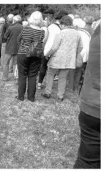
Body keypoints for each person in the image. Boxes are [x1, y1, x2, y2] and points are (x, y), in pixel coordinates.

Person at [74, 23, 100, 169]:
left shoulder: (100, 30)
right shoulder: (89, 33)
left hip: (91, 102)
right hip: (93, 101)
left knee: (86, 160)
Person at [41, 15, 83, 101]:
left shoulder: (60, 33)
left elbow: (54, 47)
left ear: (63, 24)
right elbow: (80, 47)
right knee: (63, 78)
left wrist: (47, 54)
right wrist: (73, 54)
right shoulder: (77, 34)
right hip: (69, 60)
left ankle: (47, 92)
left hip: (57, 59)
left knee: (50, 74)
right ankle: (60, 96)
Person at [16, 11, 45, 102]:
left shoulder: (26, 29)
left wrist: (23, 46)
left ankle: (21, 96)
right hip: (36, 55)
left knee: (22, 75)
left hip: (23, 53)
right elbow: (41, 42)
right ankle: (31, 97)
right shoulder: (42, 32)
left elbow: (18, 39)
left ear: (31, 19)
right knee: (32, 76)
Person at [38, 10, 68, 89]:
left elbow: (46, 38)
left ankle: (39, 83)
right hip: (56, 50)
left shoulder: (50, 26)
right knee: (52, 70)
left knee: (43, 66)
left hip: (47, 49)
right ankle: (49, 86)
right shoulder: (62, 29)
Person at [68, 18, 91, 93]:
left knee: (72, 70)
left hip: (78, 53)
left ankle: (71, 87)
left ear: (77, 26)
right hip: (85, 55)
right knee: (79, 71)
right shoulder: (87, 33)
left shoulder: (77, 33)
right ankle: (75, 87)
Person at [3, 15, 23, 81]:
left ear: (14, 20)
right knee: (16, 64)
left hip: (9, 48)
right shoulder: (23, 27)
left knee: (6, 63)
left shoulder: (10, 28)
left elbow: (5, 36)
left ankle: (5, 78)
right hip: (18, 48)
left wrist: (9, 38)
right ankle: (16, 77)